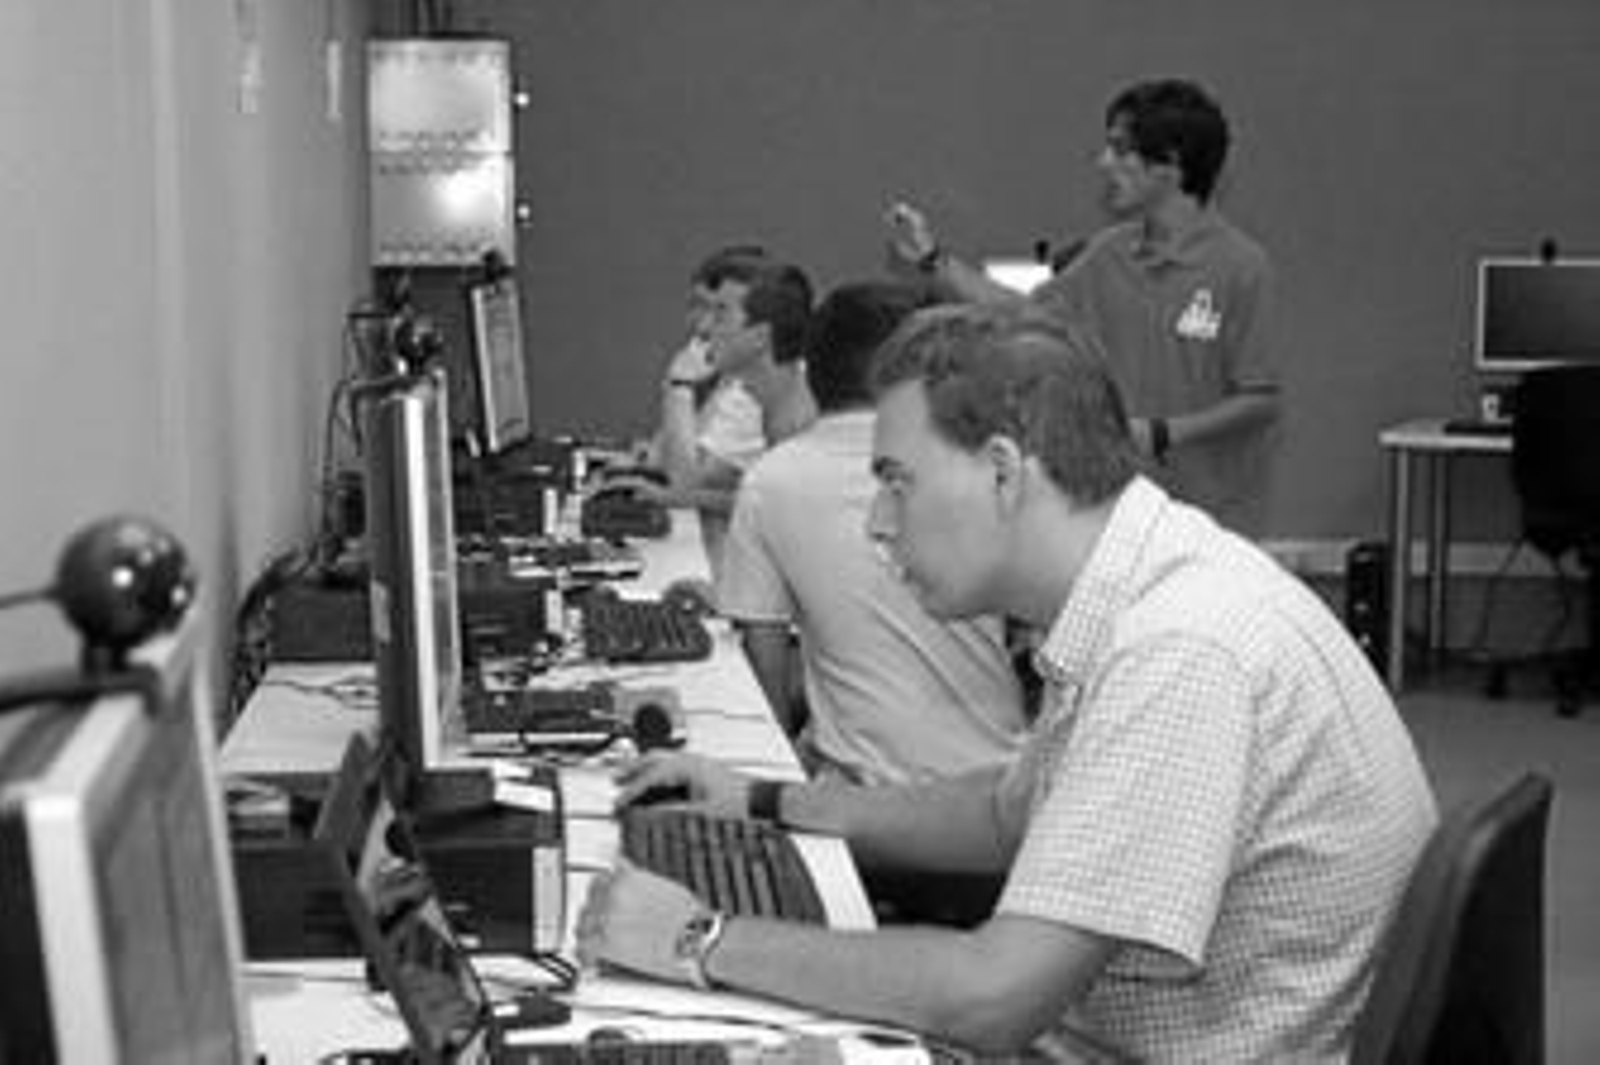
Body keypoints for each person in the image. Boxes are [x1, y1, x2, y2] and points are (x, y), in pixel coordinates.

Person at [576, 304, 1437, 1062]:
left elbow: (994, 998)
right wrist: (764, 801)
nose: (878, 522)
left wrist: (698, 938)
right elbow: (1003, 815)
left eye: (897, 482)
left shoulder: (1179, 650)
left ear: (1002, 470)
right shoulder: (1145, 584)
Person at [886, 78, 1280, 536]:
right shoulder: (1108, 253)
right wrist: (933, 260)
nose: (1104, 162)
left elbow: (1261, 400)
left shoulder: (1242, 266)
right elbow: (1023, 315)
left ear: (1169, 164)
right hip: (1120, 512)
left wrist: (1163, 433)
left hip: (1213, 523)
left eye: (1120, 149)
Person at [717, 279, 1028, 789]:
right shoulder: (979, 467)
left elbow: (765, 675)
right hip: (1000, 781)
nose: (882, 525)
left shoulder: (771, 482)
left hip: (866, 798)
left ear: (812, 372)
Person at [608, 256, 818, 567]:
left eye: (721, 314)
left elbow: (795, 528)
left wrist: (679, 384)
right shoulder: (771, 393)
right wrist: (678, 498)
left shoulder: (798, 413)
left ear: (760, 336)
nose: (705, 328)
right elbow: (774, 505)